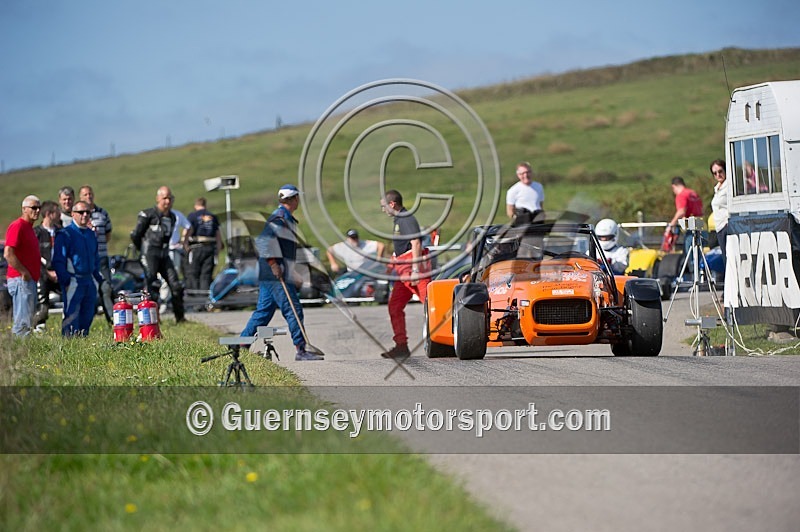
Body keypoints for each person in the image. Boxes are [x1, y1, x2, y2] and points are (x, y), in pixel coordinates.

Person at [238, 184, 322, 361]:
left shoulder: (285, 218)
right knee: (293, 309)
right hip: (275, 275)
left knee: (263, 312)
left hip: (271, 274)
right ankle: (301, 349)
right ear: (293, 199)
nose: (299, 200)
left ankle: (242, 345)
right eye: (298, 197)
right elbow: (263, 242)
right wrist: (274, 264)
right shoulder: (279, 219)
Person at [380, 189, 430, 359]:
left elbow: (416, 243)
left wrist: (415, 270)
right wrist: (391, 264)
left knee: (431, 305)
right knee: (394, 306)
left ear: (392, 204)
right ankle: (401, 346)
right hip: (403, 271)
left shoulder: (406, 218)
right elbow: (403, 247)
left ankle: (446, 340)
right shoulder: (399, 219)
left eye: (384, 206)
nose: (383, 209)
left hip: (414, 270)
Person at [130, 186, 186, 323]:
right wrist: (142, 250)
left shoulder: (172, 217)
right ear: (158, 199)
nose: (167, 201)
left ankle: (180, 318)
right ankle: (152, 319)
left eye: (170, 198)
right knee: (152, 285)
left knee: (176, 285)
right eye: (164, 198)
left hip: (164, 255)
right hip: (149, 254)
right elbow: (135, 234)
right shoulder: (147, 214)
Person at [52, 201, 104, 337]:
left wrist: (98, 278)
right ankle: (69, 344)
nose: (85, 215)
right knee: (72, 316)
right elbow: (58, 260)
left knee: (88, 315)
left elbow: (95, 257)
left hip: (89, 280)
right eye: (81, 212)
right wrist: (66, 280)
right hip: (74, 280)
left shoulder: (91, 234)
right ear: (73, 214)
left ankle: (82, 342)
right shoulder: (65, 234)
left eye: (88, 212)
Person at [4, 196, 43, 336]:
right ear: (24, 209)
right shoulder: (18, 226)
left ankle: (23, 346)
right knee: (22, 322)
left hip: (28, 280)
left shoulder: (29, 228)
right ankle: (19, 347)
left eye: (39, 208)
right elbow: (8, 253)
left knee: (27, 320)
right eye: (33, 208)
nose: (37, 211)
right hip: (21, 280)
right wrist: (24, 272)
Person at [79, 185, 114, 323]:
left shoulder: (102, 213)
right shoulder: (77, 214)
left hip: (101, 257)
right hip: (85, 259)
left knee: (106, 287)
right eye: (85, 194)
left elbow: (108, 234)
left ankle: (111, 319)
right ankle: (86, 321)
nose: (88, 196)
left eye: (90, 194)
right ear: (80, 197)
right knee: (88, 290)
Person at [184, 197, 224, 291]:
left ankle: (195, 295)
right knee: (206, 274)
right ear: (205, 205)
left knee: (194, 272)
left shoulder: (193, 216)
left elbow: (188, 230)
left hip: (196, 247)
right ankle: (205, 294)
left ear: (196, 205)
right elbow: (218, 234)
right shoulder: (212, 217)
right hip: (210, 247)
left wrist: (185, 244)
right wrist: (218, 249)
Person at [33, 200, 62, 328]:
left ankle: (70, 326)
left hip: (60, 272)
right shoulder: (36, 233)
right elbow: (33, 257)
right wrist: (47, 272)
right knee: (42, 297)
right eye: (57, 211)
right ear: (49, 214)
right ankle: (39, 324)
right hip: (42, 273)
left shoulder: (60, 232)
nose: (60, 214)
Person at [158, 207, 190, 311]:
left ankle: (165, 303)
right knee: (162, 278)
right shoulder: (155, 214)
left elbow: (188, 226)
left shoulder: (176, 214)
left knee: (170, 278)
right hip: (160, 250)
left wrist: (184, 241)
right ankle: (163, 301)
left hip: (172, 249)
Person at [665, 176, 704, 258]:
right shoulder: (693, 193)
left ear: (673, 186)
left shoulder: (681, 195)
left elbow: (681, 211)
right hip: (701, 226)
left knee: (690, 255)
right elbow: (701, 209)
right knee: (699, 255)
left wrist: (672, 224)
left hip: (691, 228)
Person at [709, 159, 729, 260]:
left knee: (729, 257)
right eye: (715, 173)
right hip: (719, 227)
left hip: (726, 226)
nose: (718, 175)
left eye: (720, 171)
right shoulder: (717, 188)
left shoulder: (729, 186)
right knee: (724, 257)